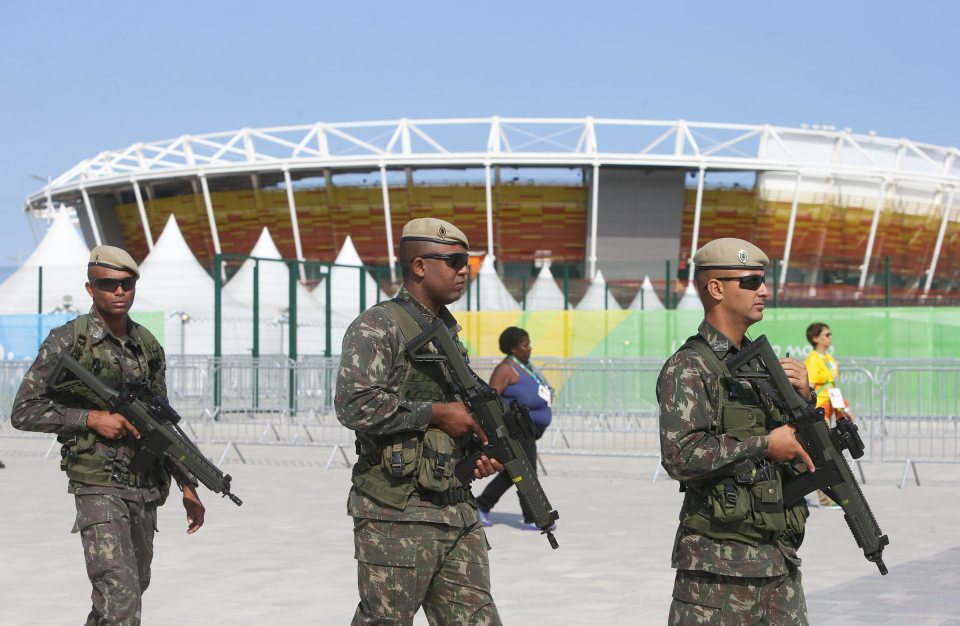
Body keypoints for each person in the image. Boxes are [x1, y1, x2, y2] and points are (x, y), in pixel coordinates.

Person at [11, 245, 205, 626]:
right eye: (108, 284)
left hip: (145, 488)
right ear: (90, 288)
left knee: (129, 591)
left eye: (126, 284)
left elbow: (160, 423)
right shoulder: (69, 342)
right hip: (97, 485)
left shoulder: (147, 346)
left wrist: (188, 481)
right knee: (121, 597)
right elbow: (24, 411)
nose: (119, 292)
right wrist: (90, 418)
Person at [336, 217, 504, 625]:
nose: (465, 270)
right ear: (419, 266)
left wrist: (477, 451)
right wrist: (437, 414)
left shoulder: (445, 330)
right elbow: (354, 404)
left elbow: (456, 415)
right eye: (455, 260)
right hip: (396, 513)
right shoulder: (379, 326)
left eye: (467, 261)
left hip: (455, 509)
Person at [657, 237, 818, 625]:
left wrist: (805, 400)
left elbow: (800, 445)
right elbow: (680, 456)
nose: (763, 290)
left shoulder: (761, 365)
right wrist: (765, 444)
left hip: (777, 562)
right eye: (750, 281)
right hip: (717, 575)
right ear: (716, 288)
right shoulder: (689, 367)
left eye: (763, 281)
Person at [476, 326, 554, 530]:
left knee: (516, 472)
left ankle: (482, 504)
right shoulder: (505, 370)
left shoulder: (525, 365)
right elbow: (491, 399)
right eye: (524, 345)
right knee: (526, 472)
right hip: (515, 430)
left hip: (528, 430)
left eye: (529, 344)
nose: (529, 348)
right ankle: (533, 516)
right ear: (512, 348)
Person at [804, 322, 852, 508]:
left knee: (827, 452)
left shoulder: (830, 359)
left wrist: (845, 410)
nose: (830, 337)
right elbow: (809, 387)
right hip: (819, 409)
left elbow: (833, 387)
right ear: (816, 338)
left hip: (831, 408)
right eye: (826, 334)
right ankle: (825, 496)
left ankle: (829, 495)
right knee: (823, 453)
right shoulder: (813, 359)